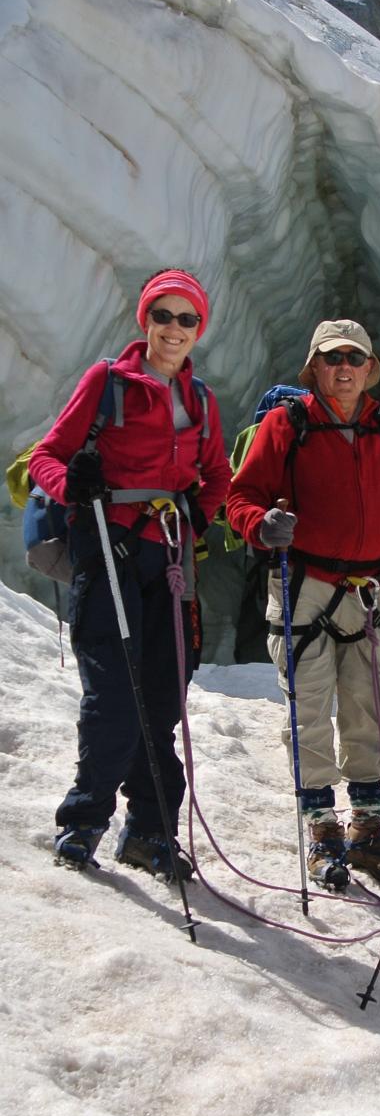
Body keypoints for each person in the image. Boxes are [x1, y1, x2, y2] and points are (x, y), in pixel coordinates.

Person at [224, 318, 380, 891]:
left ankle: (367, 831)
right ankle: (323, 831)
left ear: (369, 369)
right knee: (310, 708)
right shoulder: (287, 424)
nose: (343, 367)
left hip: (371, 591)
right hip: (305, 585)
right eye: (332, 358)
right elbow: (240, 497)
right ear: (315, 368)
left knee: (367, 707)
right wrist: (260, 524)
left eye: (354, 357)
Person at [30, 269, 231, 876]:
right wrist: (75, 487)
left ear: (200, 329)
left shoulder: (201, 400)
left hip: (167, 556)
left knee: (163, 698)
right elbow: (46, 455)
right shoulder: (109, 381)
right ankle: (85, 820)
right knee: (116, 691)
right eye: (163, 316)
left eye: (186, 319)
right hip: (110, 544)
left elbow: (218, 474)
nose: (173, 329)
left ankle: (149, 831)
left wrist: (199, 509)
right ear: (145, 321)